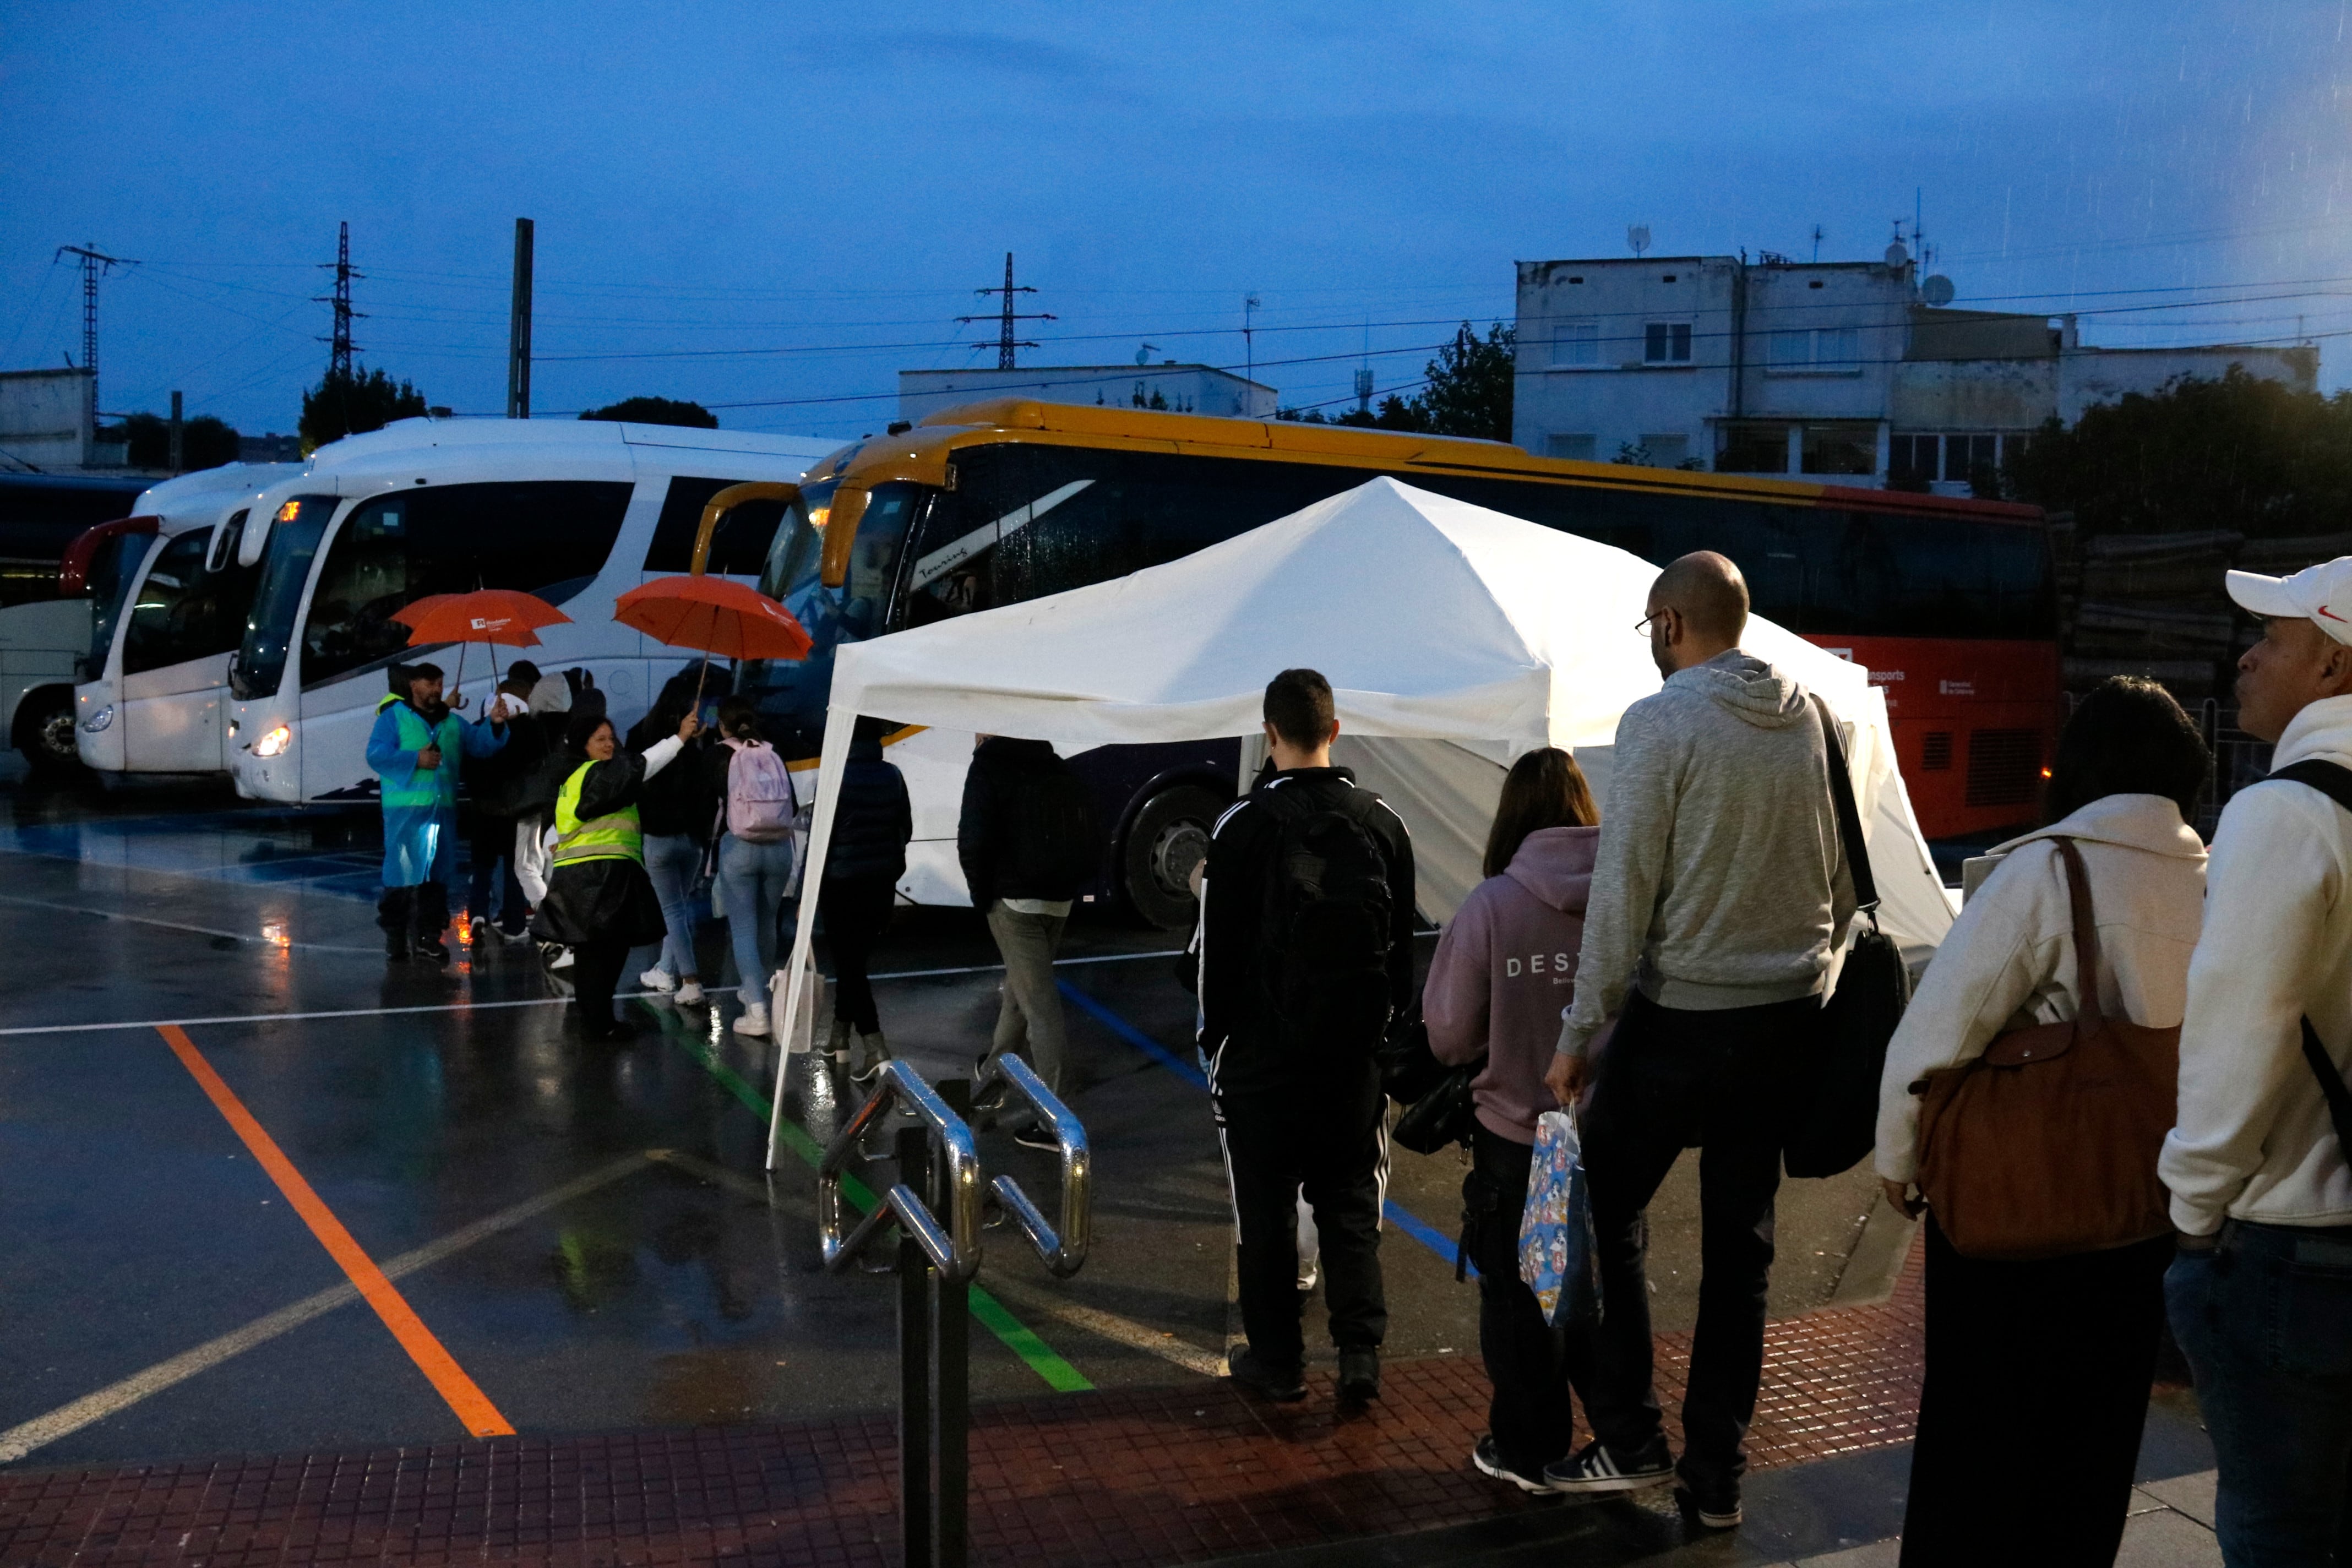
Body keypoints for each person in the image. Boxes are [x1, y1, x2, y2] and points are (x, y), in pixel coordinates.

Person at [1542, 552, 1854, 1528]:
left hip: (1681, 1019)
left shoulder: (1661, 721)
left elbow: (1623, 891)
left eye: (1649, 631)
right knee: (1739, 1253)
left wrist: (1576, 1029)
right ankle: (1713, 1479)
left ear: (1671, 625)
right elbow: (1844, 880)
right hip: (1787, 1020)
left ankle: (1630, 1438)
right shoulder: (1818, 718)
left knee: (1599, 1212)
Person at [1875, 677, 2209, 1566]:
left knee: (1977, 1440)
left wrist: (1898, 1157)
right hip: (2139, 1208)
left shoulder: (2044, 869)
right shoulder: (2210, 879)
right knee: (2091, 1443)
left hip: (2015, 1213)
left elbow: (1935, 1036)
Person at [2162, 556, 2352, 1565]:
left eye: (2272, 636)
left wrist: (2192, 1216)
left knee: (2277, 1527)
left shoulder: (2284, 814)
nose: (2247, 653)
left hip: (2295, 1248)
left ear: (2330, 663)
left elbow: (2237, 1036)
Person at [1197, 668, 1416, 1405]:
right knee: (1350, 1205)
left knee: (1264, 1215)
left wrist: (1215, 1045)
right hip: (1352, 1058)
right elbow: (1400, 954)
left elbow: (1216, 957)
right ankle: (1360, 1358)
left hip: (1262, 1059)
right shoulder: (1383, 822)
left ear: (1270, 733)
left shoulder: (1240, 827)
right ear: (1335, 730)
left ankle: (1278, 1363)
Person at [1425, 747, 1604, 1493]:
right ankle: (1620, 1439)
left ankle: (1526, 1449)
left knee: (1520, 1298)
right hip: (1606, 1133)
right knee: (1597, 1293)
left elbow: (1449, 1035)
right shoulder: (1626, 897)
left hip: (1517, 1139)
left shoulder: (1492, 906)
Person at [958, 732, 1098, 1150]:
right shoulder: (1054, 763)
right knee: (1021, 991)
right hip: (1058, 899)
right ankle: (995, 1077)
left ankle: (1059, 1117)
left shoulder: (987, 767)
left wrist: (981, 895)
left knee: (1039, 1005)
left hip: (1013, 900)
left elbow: (974, 838)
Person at [533, 705, 698, 1040]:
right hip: (601, 877)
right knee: (605, 955)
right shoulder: (600, 775)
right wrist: (679, 738)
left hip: (581, 879)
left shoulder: (574, 780)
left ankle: (596, 1021)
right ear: (584, 745)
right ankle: (601, 1025)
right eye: (600, 740)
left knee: (593, 956)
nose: (610, 745)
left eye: (612, 738)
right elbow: (644, 766)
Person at [367, 660, 507, 964]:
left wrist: (495, 723)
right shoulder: (393, 718)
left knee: (436, 878)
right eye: (430, 684)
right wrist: (415, 759)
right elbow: (376, 754)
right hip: (405, 815)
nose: (437, 689)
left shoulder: (452, 723)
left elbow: (482, 745)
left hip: (442, 813)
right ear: (414, 686)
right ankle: (396, 936)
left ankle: (429, 938)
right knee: (401, 879)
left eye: (440, 684)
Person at [629, 667, 729, 1007]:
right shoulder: (699, 749)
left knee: (672, 911)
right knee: (680, 909)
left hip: (657, 838)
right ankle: (665, 969)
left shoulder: (639, 737)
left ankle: (689, 980)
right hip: (692, 840)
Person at [823, 716, 914, 1080]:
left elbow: (821, 844)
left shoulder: (835, 777)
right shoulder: (892, 775)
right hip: (880, 884)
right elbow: (905, 829)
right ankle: (838, 1037)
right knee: (854, 962)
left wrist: (804, 893)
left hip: (841, 885)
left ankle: (876, 1047)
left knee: (850, 966)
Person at [712, 698, 799, 1038]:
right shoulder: (773, 752)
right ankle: (758, 990)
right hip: (778, 848)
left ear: (723, 725)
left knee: (744, 929)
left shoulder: (720, 754)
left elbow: (710, 800)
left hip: (740, 848)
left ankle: (757, 1011)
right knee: (767, 924)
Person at [464, 661, 544, 944]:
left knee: (482, 867)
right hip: (515, 810)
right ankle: (514, 922)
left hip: (481, 809)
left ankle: (477, 913)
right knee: (514, 867)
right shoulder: (529, 729)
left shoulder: (478, 728)